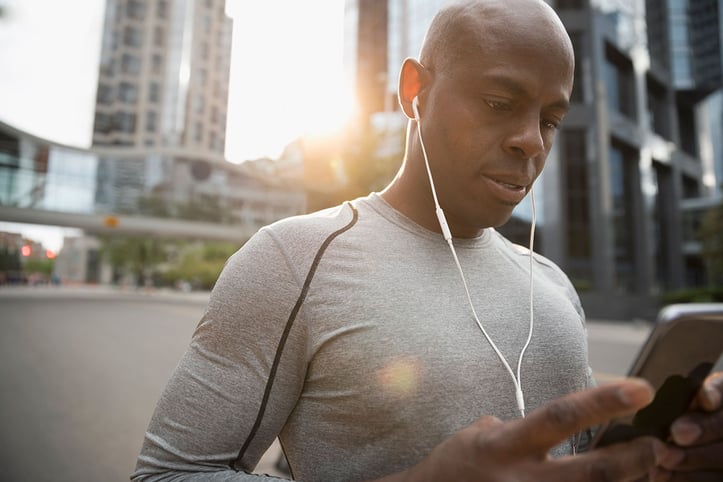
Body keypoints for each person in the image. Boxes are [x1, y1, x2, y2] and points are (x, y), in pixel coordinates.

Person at [132, 0, 723, 480]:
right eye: (499, 103)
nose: (531, 142)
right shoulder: (293, 259)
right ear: (414, 89)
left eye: (550, 119)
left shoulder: (552, 282)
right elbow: (168, 475)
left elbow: (579, 457)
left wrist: (667, 455)